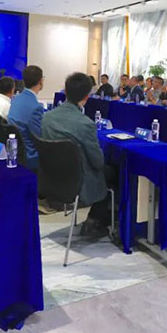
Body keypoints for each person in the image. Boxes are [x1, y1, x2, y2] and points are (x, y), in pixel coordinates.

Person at [42, 73, 109, 237]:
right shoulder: (86, 124)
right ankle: (96, 220)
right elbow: (98, 162)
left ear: (65, 91)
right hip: (78, 182)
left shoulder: (46, 117)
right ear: (87, 97)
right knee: (114, 174)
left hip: (50, 178)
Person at [8, 65, 45, 172]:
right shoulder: (36, 107)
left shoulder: (15, 99)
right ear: (40, 81)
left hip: (17, 152)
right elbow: (39, 138)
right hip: (31, 156)